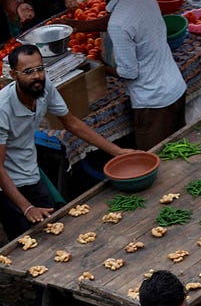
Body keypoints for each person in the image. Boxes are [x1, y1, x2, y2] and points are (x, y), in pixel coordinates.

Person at [0, 43, 130, 239]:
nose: (37, 76)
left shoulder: (44, 88)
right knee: (25, 242)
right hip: (5, 184)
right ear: (14, 74)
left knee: (55, 228)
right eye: (28, 71)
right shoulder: (2, 108)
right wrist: (27, 208)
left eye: (39, 69)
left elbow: (72, 123)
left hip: (29, 170)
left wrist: (118, 152)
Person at [78, 0, 187, 150]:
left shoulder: (119, 23)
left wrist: (100, 68)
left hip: (154, 102)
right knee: (178, 149)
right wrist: (77, 26)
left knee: (156, 160)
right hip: (175, 87)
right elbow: (114, 20)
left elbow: (129, 72)